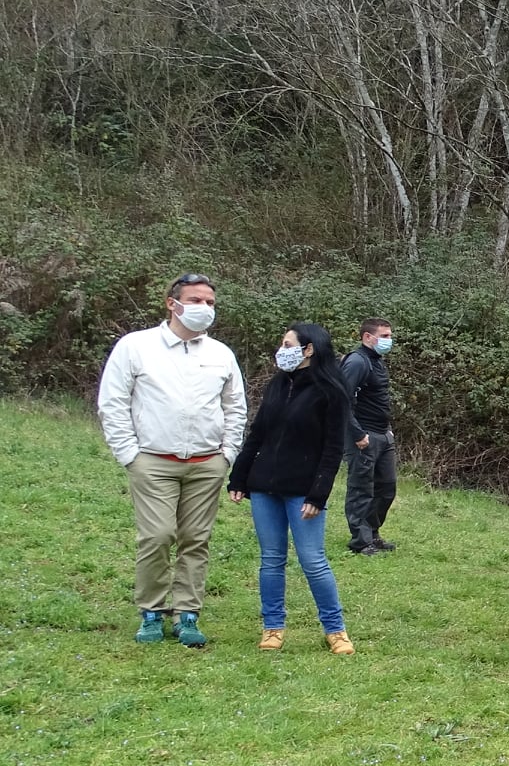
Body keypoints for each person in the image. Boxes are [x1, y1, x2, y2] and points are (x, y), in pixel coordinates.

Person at [96, 272, 248, 647]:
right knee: (158, 536)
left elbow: (235, 407)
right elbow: (112, 403)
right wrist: (129, 454)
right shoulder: (137, 346)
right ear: (172, 303)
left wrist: (227, 454)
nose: (204, 309)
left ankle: (187, 614)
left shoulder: (220, 354)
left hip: (206, 463)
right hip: (152, 460)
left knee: (196, 538)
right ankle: (151, 611)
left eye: (210, 302)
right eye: (196, 301)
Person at [226, 323, 354, 655]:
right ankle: (273, 628)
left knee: (313, 561)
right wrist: (239, 476)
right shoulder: (277, 385)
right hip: (265, 486)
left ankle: (335, 630)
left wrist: (318, 494)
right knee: (271, 560)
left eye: (287, 344)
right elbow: (258, 433)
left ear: (308, 349)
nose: (281, 349)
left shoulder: (331, 392)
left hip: (303, 491)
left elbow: (332, 449)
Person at [341, 318, 399, 556]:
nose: (389, 341)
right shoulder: (357, 362)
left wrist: (387, 430)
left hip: (383, 434)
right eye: (384, 336)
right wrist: (357, 433)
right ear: (367, 337)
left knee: (387, 488)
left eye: (389, 336)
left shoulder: (377, 361)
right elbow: (341, 400)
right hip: (363, 435)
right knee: (361, 488)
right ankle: (360, 541)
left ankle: (373, 534)